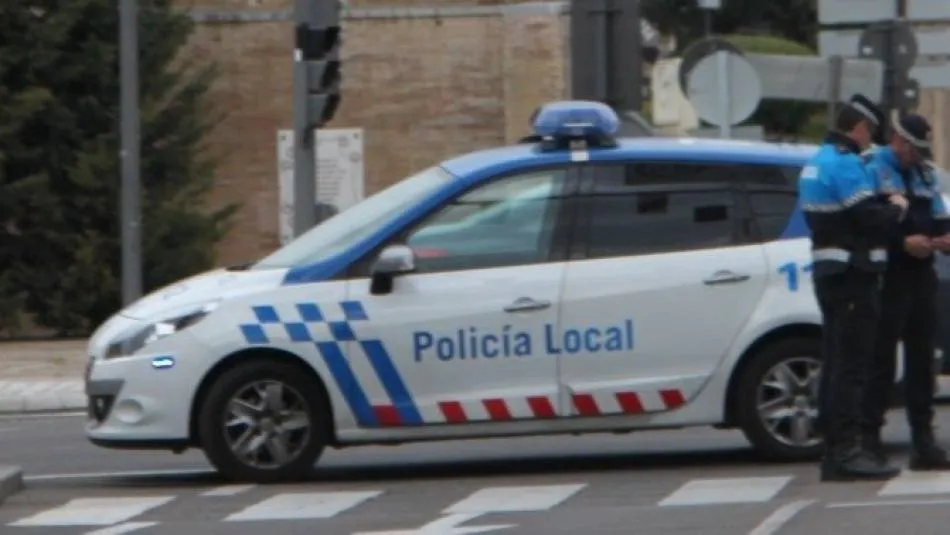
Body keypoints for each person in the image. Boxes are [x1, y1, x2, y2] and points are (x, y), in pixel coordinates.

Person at [798, 94, 908, 481]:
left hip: (832, 275)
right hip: (852, 276)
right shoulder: (844, 165)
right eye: (871, 132)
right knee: (852, 367)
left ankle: (834, 450)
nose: (871, 140)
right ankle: (846, 452)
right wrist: (897, 205)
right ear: (858, 128)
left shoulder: (818, 161)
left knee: (835, 363)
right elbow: (871, 221)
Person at [861, 113, 950, 471]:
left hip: (921, 274)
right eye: (915, 149)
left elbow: (940, 216)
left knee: (922, 360)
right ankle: (869, 440)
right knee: (879, 360)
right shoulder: (870, 168)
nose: (918, 157)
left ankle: (923, 441)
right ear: (899, 140)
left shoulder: (925, 172)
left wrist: (944, 239)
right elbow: (863, 223)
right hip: (885, 274)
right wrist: (902, 243)